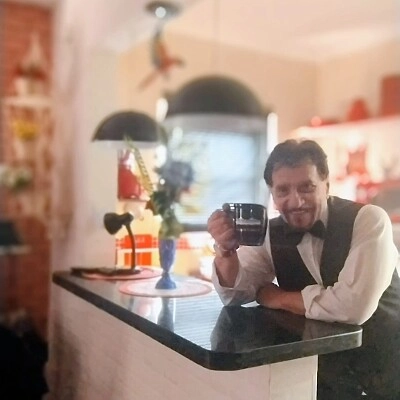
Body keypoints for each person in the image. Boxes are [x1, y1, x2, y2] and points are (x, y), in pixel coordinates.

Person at [207, 139, 400, 399]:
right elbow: (235, 294)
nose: (296, 201)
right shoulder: (270, 233)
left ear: (326, 184)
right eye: (283, 190)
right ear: (272, 194)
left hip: (383, 372)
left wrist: (277, 297)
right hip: (321, 377)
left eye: (306, 187)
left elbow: (353, 307)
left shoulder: (369, 220)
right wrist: (226, 251)